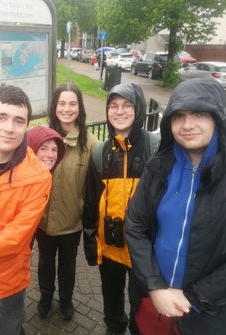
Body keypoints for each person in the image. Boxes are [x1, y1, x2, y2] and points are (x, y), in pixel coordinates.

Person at [125, 77, 226, 335]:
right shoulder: (158, 167)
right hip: (153, 306)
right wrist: (155, 287)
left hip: (211, 318)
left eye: (200, 114)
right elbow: (136, 225)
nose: (187, 125)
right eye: (178, 116)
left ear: (219, 118)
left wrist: (193, 298)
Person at [0, 85, 52, 335]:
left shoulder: (38, 177)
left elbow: (15, 238)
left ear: (26, 124)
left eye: (19, 120)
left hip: (6, 286)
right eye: (1, 117)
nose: (9, 128)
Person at [82, 83, 158, 335]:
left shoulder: (155, 148)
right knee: (111, 297)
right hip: (111, 244)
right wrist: (92, 245)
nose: (120, 111)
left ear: (139, 110)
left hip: (145, 250)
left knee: (143, 304)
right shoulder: (100, 153)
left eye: (127, 105)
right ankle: (115, 328)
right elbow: (91, 203)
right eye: (113, 106)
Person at [36, 83, 100, 320]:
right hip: (42, 218)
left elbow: (95, 186)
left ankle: (65, 299)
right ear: (55, 107)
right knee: (44, 261)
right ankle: (44, 295)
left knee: (67, 264)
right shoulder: (42, 138)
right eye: (62, 103)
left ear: (79, 107)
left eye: (72, 103)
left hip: (72, 220)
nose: (67, 108)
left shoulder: (91, 144)